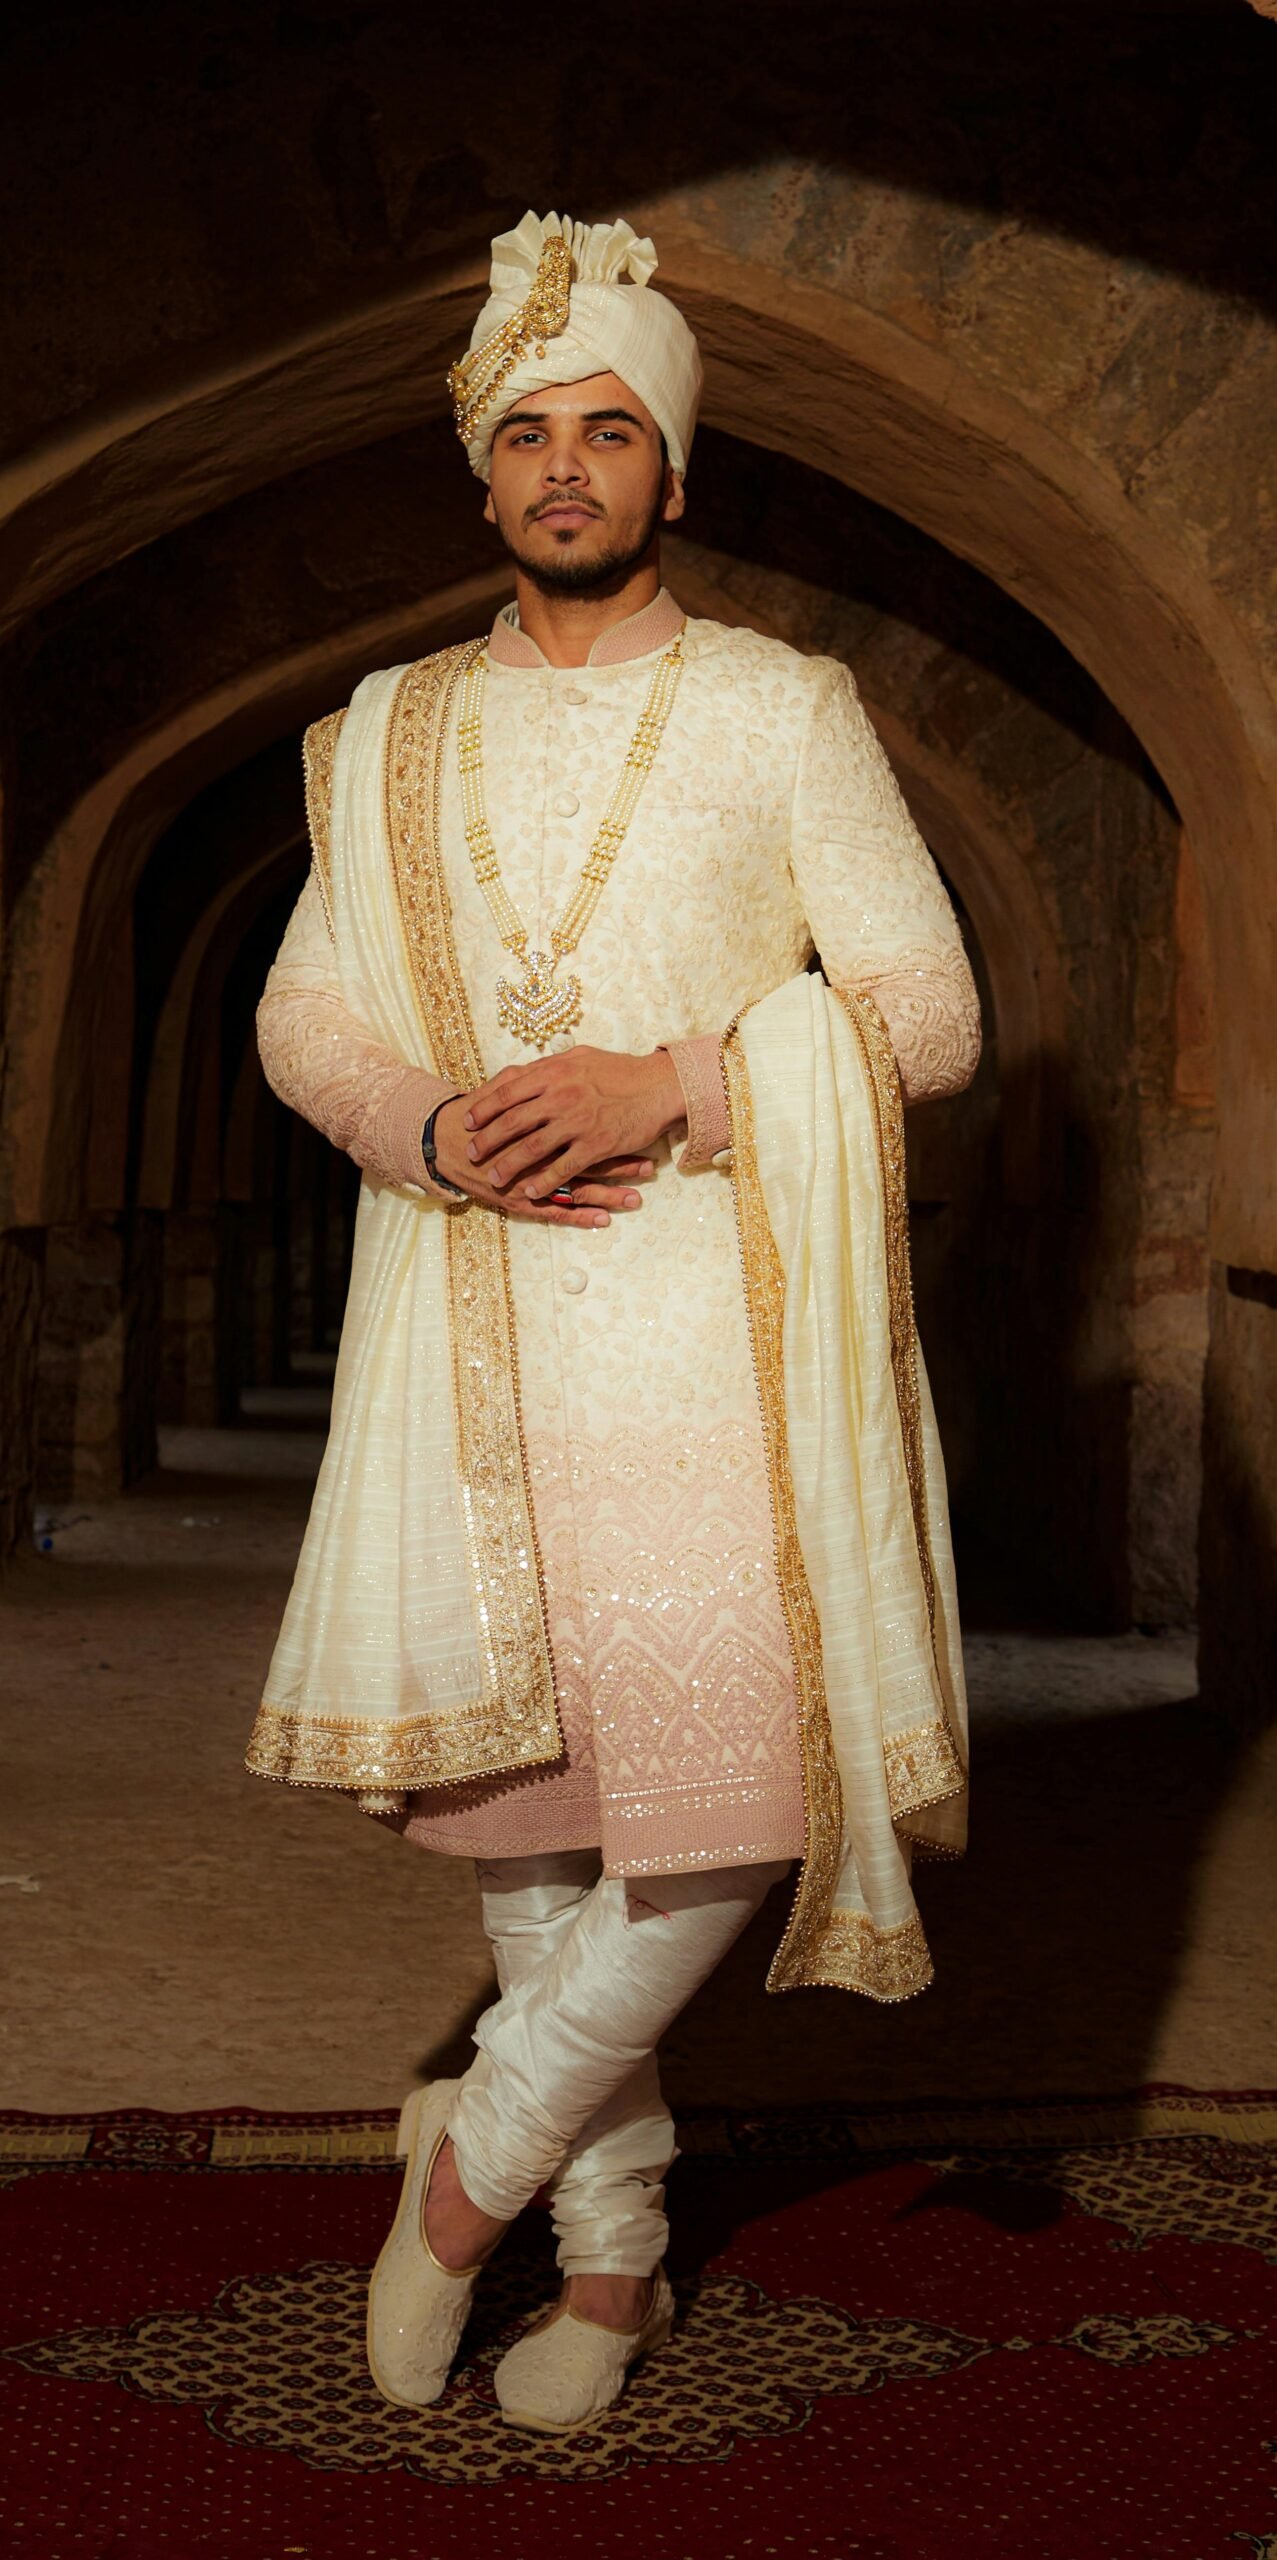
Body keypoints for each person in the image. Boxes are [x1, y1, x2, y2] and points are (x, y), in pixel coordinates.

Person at [249, 209, 979, 2435]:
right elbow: (304, 1011)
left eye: (608, 431)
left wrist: (676, 1082)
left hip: (720, 1336)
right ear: (481, 471)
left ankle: (465, 2168)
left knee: (730, 1807)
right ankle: (615, 2262)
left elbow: (924, 1008)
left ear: (675, 467)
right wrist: (423, 1121)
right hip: (471, 1319)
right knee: (535, 1833)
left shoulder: (781, 707)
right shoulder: (384, 732)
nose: (565, 465)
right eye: (526, 432)